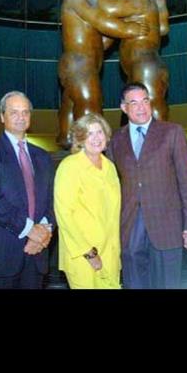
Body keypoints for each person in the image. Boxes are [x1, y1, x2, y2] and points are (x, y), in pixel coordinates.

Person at [106, 82, 187, 289]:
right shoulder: (115, 139)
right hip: (130, 228)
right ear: (124, 108)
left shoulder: (172, 132)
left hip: (168, 228)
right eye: (134, 102)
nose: (141, 107)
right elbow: (110, 186)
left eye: (145, 101)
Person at [0, 91, 56, 289]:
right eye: (14, 112)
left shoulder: (42, 156)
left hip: (36, 256)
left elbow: (52, 200)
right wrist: (30, 230)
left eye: (25, 112)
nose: (21, 117)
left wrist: (43, 233)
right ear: (2, 116)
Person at [57, 0, 149, 148]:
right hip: (79, 64)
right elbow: (100, 19)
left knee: (71, 103)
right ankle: (87, 146)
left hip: (78, 64)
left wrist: (118, 32)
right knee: (89, 103)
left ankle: (65, 138)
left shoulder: (78, 11)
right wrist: (129, 28)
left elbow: (99, 44)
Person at [54, 113, 121, 289]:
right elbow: (64, 215)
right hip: (83, 256)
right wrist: (89, 253)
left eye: (99, 132)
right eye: (89, 133)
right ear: (80, 139)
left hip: (110, 254)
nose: (96, 138)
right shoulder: (69, 166)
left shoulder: (110, 167)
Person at [96, 0, 170, 121]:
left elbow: (109, 7)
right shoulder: (156, 3)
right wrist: (127, 24)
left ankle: (159, 142)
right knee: (136, 112)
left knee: (150, 109)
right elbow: (163, 29)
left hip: (144, 66)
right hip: (147, 65)